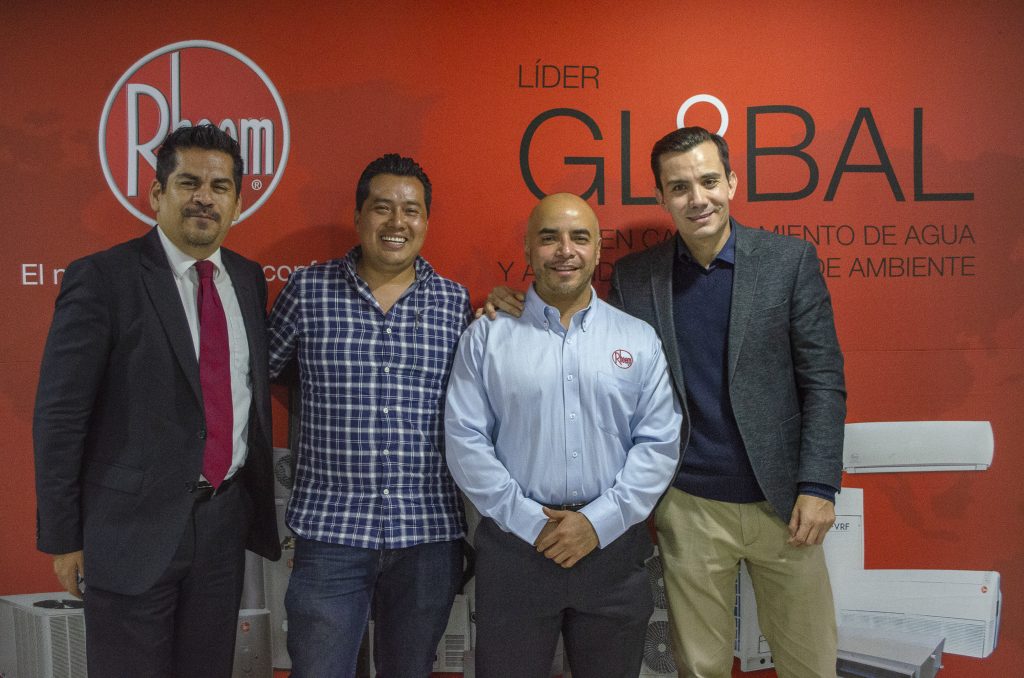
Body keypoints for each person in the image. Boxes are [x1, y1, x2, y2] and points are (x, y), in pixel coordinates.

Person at [486, 127, 846, 678]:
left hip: (785, 505)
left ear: (732, 182)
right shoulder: (638, 276)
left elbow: (823, 380)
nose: (697, 198)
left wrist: (818, 486)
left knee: (810, 664)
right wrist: (512, 303)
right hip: (689, 503)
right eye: (679, 187)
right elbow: (582, 327)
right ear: (661, 197)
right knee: (699, 667)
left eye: (708, 181)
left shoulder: (788, 261)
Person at [33, 123, 281, 678]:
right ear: (156, 194)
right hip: (129, 531)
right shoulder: (103, 278)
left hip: (221, 525)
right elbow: (60, 417)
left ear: (238, 203)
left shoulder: (246, 279)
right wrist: (64, 537)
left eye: (220, 187)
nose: (204, 198)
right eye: (189, 182)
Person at [447, 193, 682, 678]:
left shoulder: (637, 338)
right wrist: (531, 523)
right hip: (515, 552)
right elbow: (466, 441)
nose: (565, 250)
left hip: (613, 552)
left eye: (579, 237)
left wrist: (597, 522)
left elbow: (659, 444)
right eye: (549, 237)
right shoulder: (486, 336)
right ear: (528, 250)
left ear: (597, 251)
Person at [267, 154, 469, 678]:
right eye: (382, 208)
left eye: (411, 210)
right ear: (358, 217)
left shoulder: (455, 303)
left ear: (426, 221)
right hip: (331, 531)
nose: (397, 222)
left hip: (426, 532)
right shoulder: (308, 291)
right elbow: (258, 374)